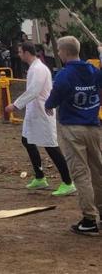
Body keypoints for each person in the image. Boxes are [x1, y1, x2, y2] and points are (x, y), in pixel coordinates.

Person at [45, 36, 102, 236]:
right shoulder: (94, 70)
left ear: (65, 52)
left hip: (72, 128)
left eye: (59, 51)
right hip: (94, 127)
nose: (58, 54)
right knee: (98, 171)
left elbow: (55, 95)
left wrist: (49, 105)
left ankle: (89, 219)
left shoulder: (64, 75)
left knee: (81, 174)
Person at [4, 42, 75, 196]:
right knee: (27, 140)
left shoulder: (39, 69)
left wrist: (15, 105)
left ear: (27, 53)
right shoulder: (34, 68)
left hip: (43, 112)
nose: (19, 55)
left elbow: (34, 91)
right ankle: (40, 177)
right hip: (33, 112)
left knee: (50, 145)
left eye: (20, 52)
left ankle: (68, 182)